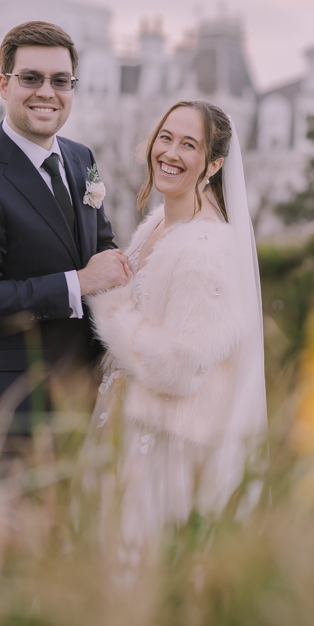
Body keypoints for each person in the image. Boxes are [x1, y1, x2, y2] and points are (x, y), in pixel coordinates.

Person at [0, 21, 130, 447]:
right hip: (13, 409)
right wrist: (78, 283)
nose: (47, 91)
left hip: (90, 395)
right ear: (4, 84)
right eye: (31, 78)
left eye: (60, 80)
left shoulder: (82, 159)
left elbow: (102, 252)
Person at [86, 100, 267, 548]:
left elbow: (179, 366)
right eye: (166, 137)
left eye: (189, 145)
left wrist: (111, 304)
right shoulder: (157, 227)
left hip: (164, 448)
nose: (170, 152)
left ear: (214, 164)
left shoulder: (204, 250)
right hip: (125, 428)